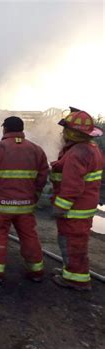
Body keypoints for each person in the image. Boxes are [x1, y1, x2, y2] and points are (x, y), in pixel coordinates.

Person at [0, 116, 48, 284]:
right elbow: (43, 175)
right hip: (25, 206)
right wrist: (35, 193)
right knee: (29, 236)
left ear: (4, 129)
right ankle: (36, 271)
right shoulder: (36, 150)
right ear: (22, 130)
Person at [50, 107, 104, 291]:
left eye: (65, 129)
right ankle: (70, 270)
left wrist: (60, 207)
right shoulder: (90, 148)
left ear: (72, 132)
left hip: (74, 210)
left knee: (72, 244)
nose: (62, 132)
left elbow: (72, 186)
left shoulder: (77, 153)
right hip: (84, 207)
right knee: (74, 243)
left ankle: (76, 280)